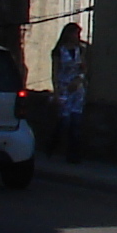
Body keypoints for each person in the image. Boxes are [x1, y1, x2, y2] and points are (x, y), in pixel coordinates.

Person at [50, 23, 87, 158]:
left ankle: (73, 154)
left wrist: (79, 80)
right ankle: (54, 146)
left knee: (76, 122)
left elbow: (84, 68)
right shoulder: (59, 51)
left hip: (77, 89)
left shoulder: (80, 50)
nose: (77, 37)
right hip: (64, 88)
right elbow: (54, 72)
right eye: (75, 34)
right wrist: (56, 92)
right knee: (64, 121)